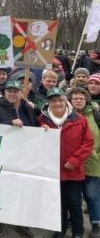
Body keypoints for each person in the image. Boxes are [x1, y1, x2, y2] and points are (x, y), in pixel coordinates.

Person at [38, 88, 94, 238]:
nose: (57, 103)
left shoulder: (80, 119)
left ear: (66, 101)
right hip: (52, 170)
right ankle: (60, 229)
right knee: (57, 204)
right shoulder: (42, 120)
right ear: (48, 102)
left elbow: (88, 143)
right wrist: (40, 132)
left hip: (72, 171)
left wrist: (75, 160)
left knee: (75, 204)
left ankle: (78, 231)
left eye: (60, 100)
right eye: (53, 100)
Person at [0, 80, 37, 237]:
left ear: (21, 93)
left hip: (25, 156)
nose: (12, 94)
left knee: (23, 190)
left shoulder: (27, 107)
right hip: (5, 156)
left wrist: (44, 129)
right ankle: (0, 222)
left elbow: (35, 125)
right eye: (9, 91)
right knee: (4, 190)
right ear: (4, 93)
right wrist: (9, 123)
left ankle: (22, 223)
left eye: (16, 91)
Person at [68, 88, 100, 238]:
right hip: (72, 164)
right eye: (75, 98)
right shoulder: (66, 114)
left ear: (86, 99)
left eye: (81, 98)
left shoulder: (96, 113)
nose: (78, 100)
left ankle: (96, 223)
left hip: (92, 162)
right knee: (74, 196)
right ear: (70, 100)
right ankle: (73, 220)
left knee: (91, 194)